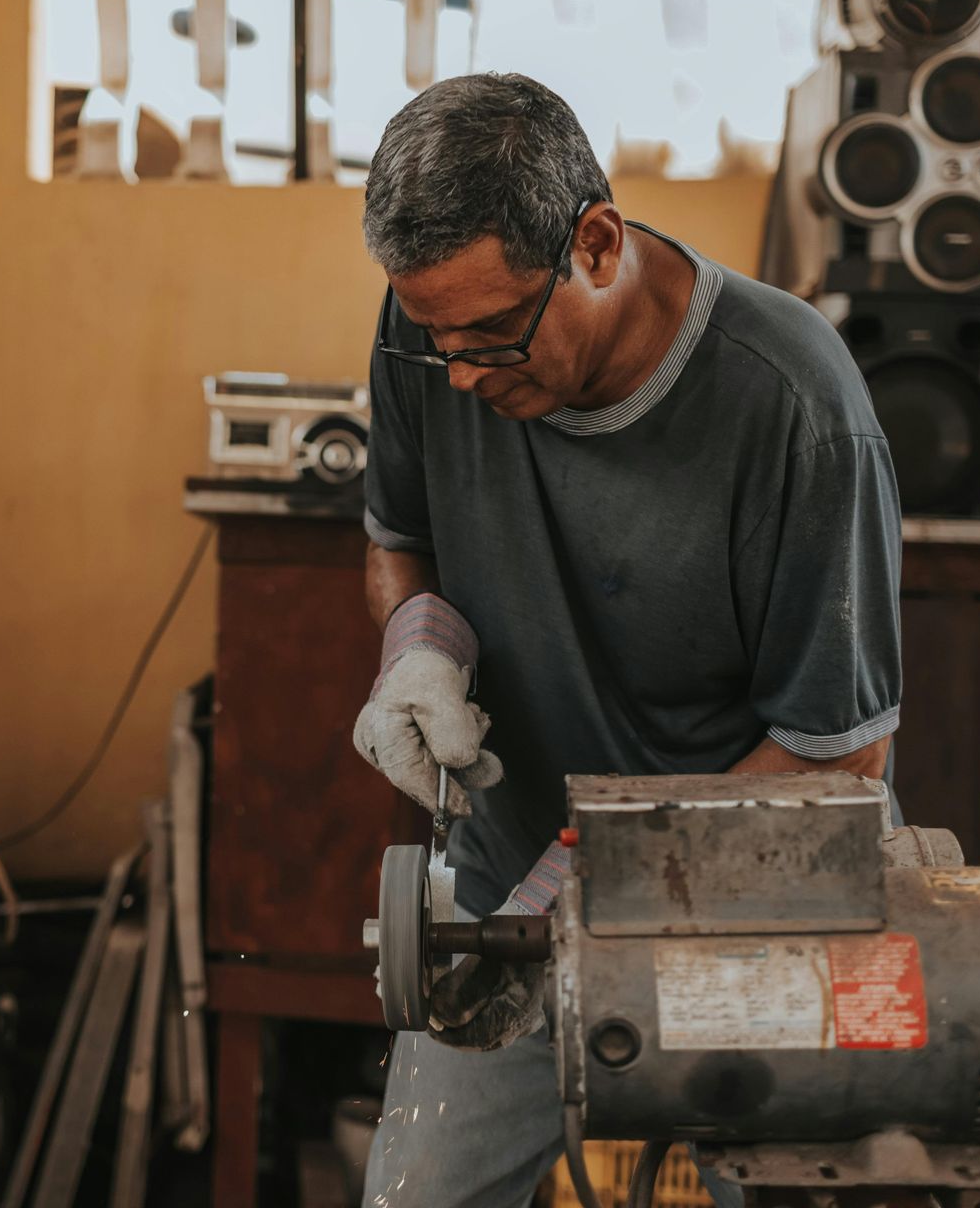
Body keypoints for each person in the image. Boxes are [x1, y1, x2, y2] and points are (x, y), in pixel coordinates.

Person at [351, 73, 902, 1207]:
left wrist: (594, 887)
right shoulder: (437, 323)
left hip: (754, 904)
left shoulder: (796, 405)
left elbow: (836, 758)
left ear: (595, 244)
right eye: (433, 339)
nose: (457, 374)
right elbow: (402, 541)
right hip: (524, 902)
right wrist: (419, 647)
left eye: (494, 337)